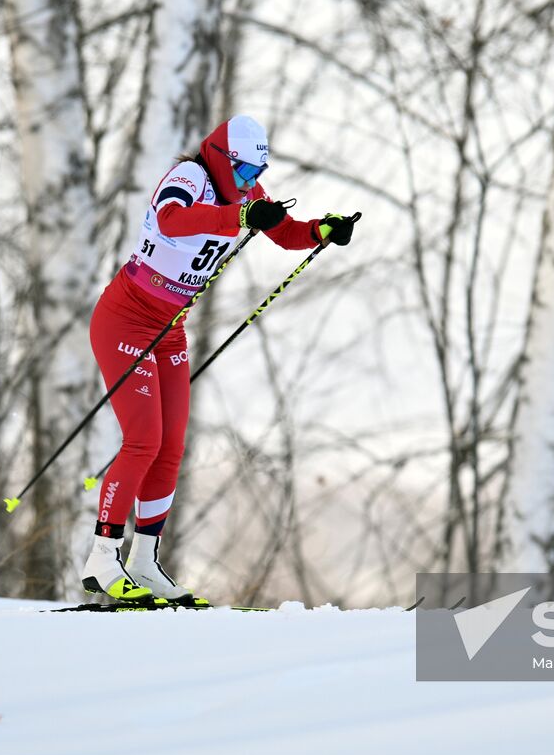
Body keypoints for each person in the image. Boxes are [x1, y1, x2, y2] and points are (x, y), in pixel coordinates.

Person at [79, 116, 354, 607]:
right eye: (246, 172)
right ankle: (102, 558)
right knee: (142, 440)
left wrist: (322, 230)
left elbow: (286, 232)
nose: (250, 184)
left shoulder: (246, 192)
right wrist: (240, 219)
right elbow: (171, 221)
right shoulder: (190, 178)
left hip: (170, 328)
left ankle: (144, 561)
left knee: (170, 445)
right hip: (126, 318)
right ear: (223, 158)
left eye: (257, 174)